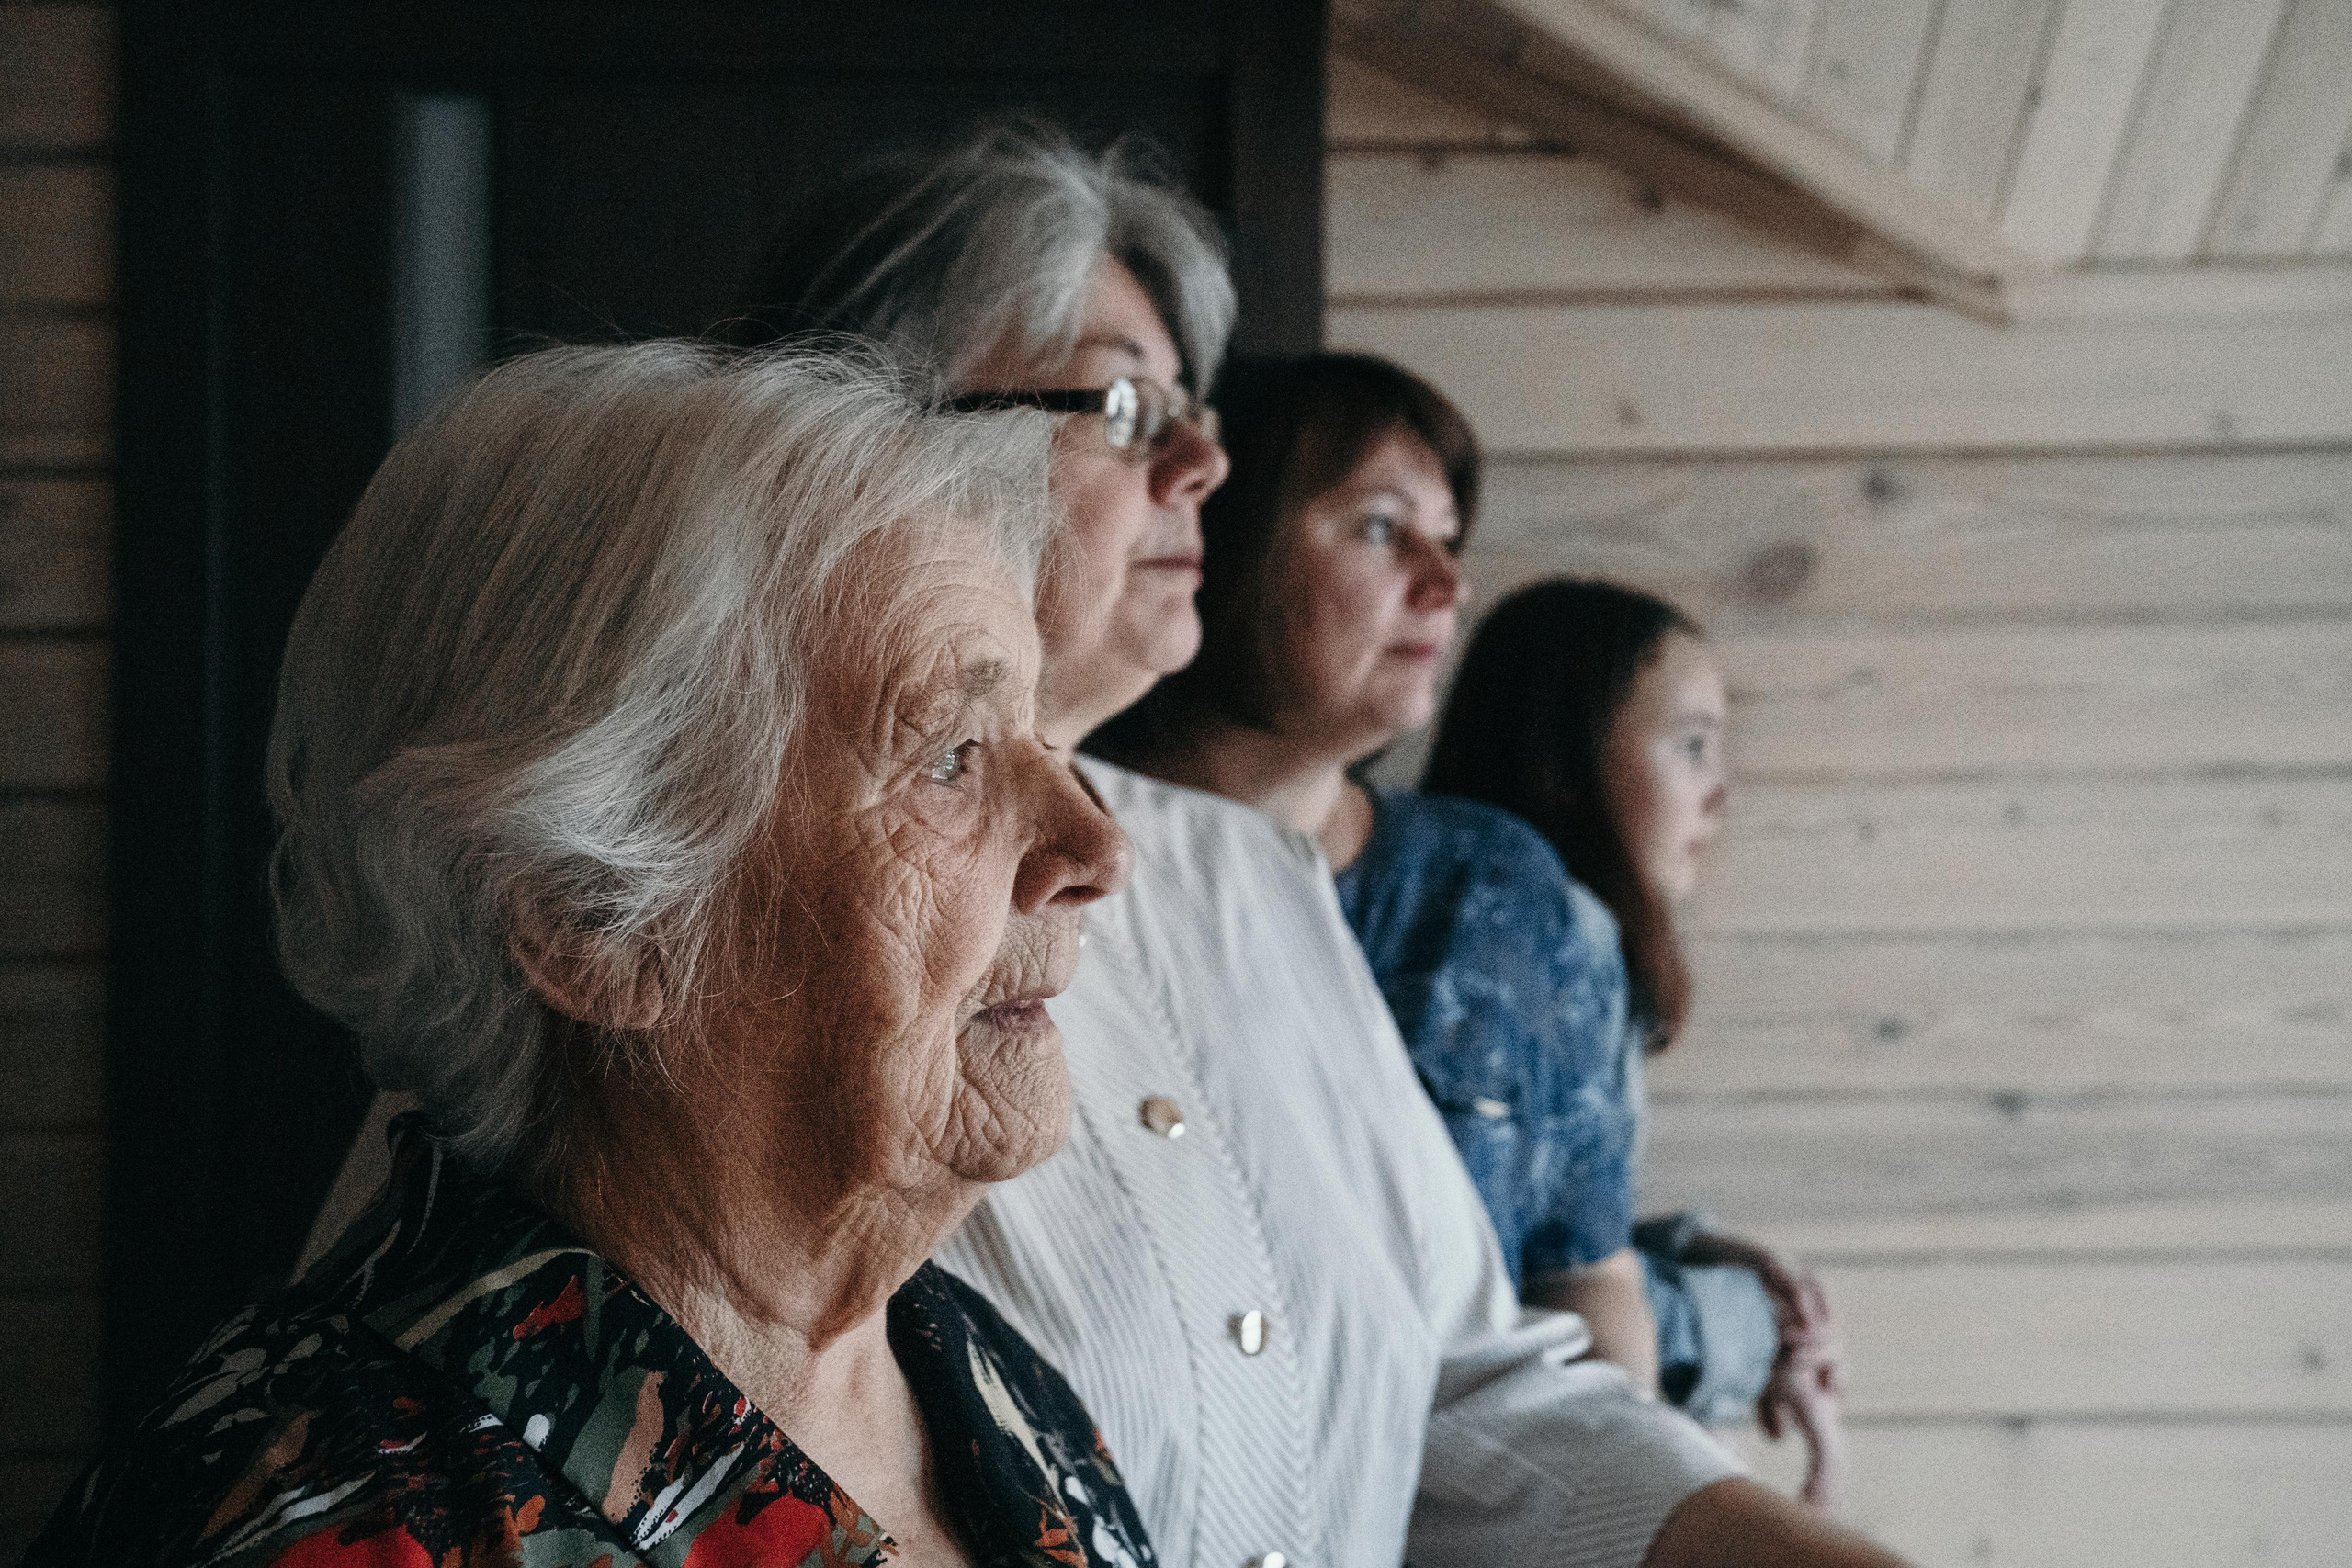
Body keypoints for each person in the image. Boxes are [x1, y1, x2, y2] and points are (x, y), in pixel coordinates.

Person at [311, 126, 1905, 1568]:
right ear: (867, 425)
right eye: (1125, 404)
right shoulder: (620, 951)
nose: (1207, 461)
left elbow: (1467, 1381)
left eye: (1194, 409)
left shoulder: (1249, 885)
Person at [29, 342, 1153, 1566]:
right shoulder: (347, 1521)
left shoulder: (979, 1379)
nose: (1097, 846)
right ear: (597, 919)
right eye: (947, 758)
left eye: (1038, 735)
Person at [1093, 354, 1844, 1508]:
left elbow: (1584, 1286)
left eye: (1450, 540)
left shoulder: (1500, 896)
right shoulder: (1061, 855)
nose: (1446, 584)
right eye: (1380, 530)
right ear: (1222, 539)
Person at [1426, 578, 1848, 1508]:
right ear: (1568, 754)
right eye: (1691, 746)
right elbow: (1506, 1301)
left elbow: (1534, 1222)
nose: (1719, 794)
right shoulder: (1527, 946)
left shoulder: (1544, 945)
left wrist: (1698, 1255)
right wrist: (1742, 1326)